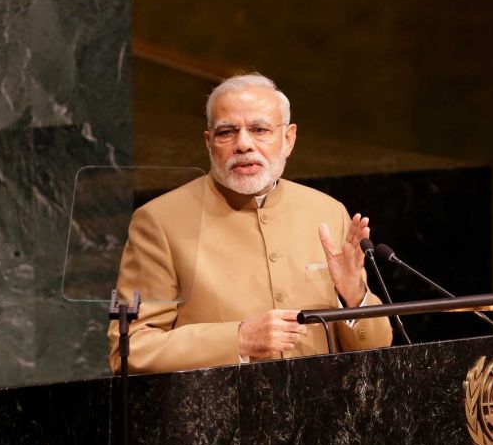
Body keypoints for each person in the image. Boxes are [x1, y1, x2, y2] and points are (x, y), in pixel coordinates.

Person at [108, 73, 393, 373]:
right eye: (226, 132)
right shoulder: (159, 221)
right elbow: (131, 351)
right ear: (209, 143)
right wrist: (238, 339)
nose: (243, 144)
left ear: (289, 138)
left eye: (259, 129)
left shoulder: (328, 211)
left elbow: (375, 347)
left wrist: (354, 296)